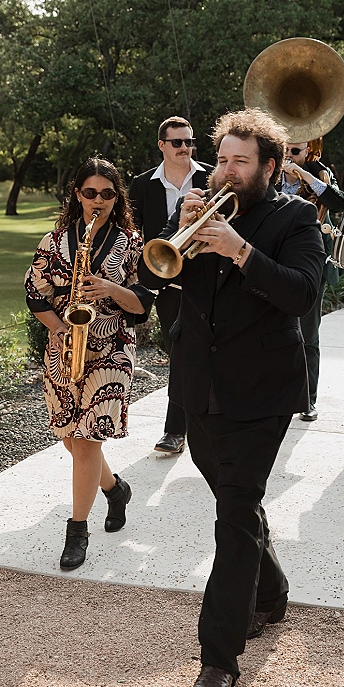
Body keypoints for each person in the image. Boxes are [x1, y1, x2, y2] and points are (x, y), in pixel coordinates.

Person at [138, 108, 325, 687]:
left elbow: (302, 295)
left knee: (235, 510)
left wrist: (241, 251)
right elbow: (163, 282)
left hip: (262, 390)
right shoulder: (195, 204)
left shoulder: (295, 218)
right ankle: (270, 594)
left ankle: (218, 656)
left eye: (239, 161)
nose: (224, 169)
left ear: (270, 166)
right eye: (221, 158)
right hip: (200, 384)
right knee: (236, 505)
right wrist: (182, 231)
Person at [25, 157, 153, 570]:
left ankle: (77, 530)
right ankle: (115, 490)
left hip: (112, 350)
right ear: (76, 194)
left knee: (86, 442)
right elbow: (34, 293)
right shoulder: (54, 240)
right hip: (65, 347)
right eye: (90, 192)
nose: (99, 201)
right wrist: (61, 328)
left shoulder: (133, 243)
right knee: (70, 437)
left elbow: (143, 305)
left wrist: (111, 287)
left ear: (118, 198)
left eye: (108, 194)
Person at [129, 117, 213, 455]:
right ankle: (178, 429)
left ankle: (180, 429)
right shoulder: (142, 184)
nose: (184, 148)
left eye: (189, 142)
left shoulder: (211, 176)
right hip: (167, 283)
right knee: (178, 354)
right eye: (177, 142)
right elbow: (133, 232)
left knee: (207, 353)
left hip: (209, 277)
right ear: (161, 145)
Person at [280, 139, 344, 421]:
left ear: (308, 151)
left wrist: (304, 174)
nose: (288, 156)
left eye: (295, 151)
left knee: (308, 333)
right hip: (273, 258)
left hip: (310, 261)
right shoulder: (268, 172)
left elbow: (338, 202)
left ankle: (307, 398)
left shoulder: (320, 174)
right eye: (284, 150)